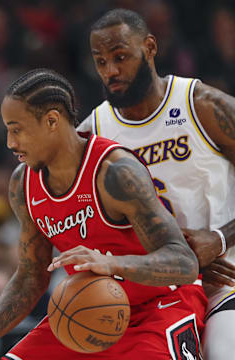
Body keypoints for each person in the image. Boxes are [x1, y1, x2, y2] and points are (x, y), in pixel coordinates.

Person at [0, 68, 207, 360]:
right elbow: (30, 278)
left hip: (159, 306)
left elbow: (184, 262)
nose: (10, 143)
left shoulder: (115, 172)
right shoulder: (23, 183)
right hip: (84, 313)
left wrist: (112, 264)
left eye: (17, 129)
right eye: (7, 130)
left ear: (52, 120)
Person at [76, 8, 235, 359]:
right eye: (100, 62)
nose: (110, 71)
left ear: (149, 47)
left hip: (224, 283)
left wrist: (222, 237)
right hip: (153, 295)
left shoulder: (201, 106)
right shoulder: (92, 133)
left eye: (120, 57)